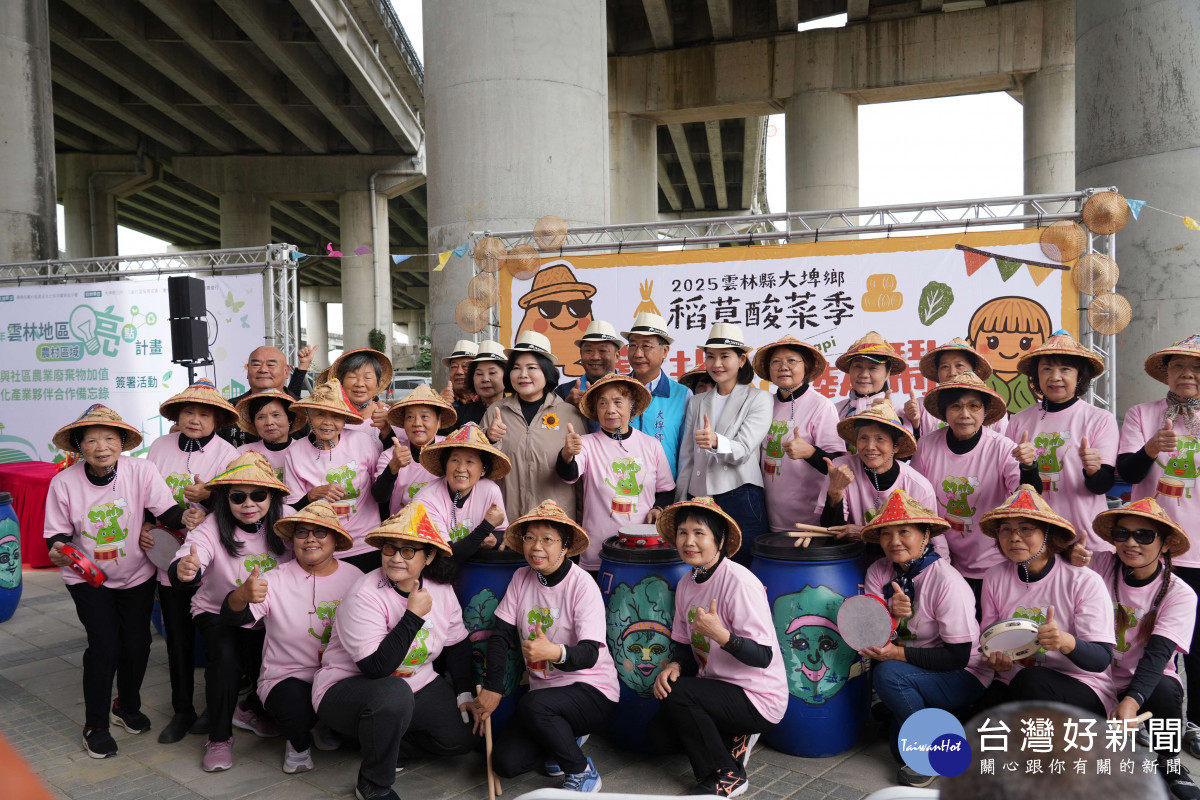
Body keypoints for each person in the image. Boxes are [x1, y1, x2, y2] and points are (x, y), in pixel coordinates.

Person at [44, 405, 201, 759]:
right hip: (88, 577)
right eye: (92, 440)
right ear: (78, 446)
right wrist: (58, 549)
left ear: (122, 443)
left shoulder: (141, 471)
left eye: (110, 438)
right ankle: (94, 726)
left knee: (138, 644)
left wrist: (188, 514)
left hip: (136, 574)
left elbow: (168, 512)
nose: (102, 446)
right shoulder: (63, 482)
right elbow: (56, 535)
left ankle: (126, 706)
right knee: (104, 647)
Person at [313, 502, 477, 800]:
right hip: (349, 690)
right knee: (394, 692)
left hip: (418, 684)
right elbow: (376, 668)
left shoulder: (441, 589)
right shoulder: (364, 595)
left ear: (429, 556)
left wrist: (464, 691)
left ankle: (377, 742)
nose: (396, 558)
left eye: (408, 550)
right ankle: (373, 784)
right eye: (390, 548)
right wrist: (412, 616)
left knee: (459, 741)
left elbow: (456, 643)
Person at [474, 500, 619, 792]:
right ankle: (563, 738)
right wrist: (493, 689)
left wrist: (555, 652)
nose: (536, 546)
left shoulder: (581, 585)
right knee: (506, 763)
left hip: (591, 690)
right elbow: (500, 635)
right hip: (545, 696)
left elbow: (590, 654)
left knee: (534, 705)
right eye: (530, 537)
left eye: (547, 539)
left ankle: (582, 772)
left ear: (565, 546)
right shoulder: (521, 578)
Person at [647, 497, 787, 798]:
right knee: (658, 738)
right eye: (683, 533)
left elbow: (763, 656)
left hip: (757, 696)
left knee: (680, 695)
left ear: (720, 540)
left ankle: (728, 776)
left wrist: (722, 636)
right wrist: (674, 665)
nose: (689, 541)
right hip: (717, 688)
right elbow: (684, 647)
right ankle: (733, 736)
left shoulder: (739, 582)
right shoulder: (687, 583)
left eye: (699, 533)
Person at [858, 490, 991, 788]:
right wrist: (891, 615)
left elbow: (957, 656)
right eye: (886, 533)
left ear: (925, 535)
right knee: (898, 750)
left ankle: (938, 748)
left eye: (904, 532)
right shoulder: (878, 571)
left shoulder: (947, 582)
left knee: (888, 674)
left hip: (962, 673)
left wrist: (894, 654)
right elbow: (869, 634)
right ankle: (944, 720)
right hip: (917, 669)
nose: (894, 541)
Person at [169, 452, 292, 772]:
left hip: (267, 614)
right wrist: (185, 569)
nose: (248, 503)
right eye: (238, 496)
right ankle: (219, 737)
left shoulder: (287, 520)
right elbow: (190, 557)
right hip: (216, 610)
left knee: (277, 663)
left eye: (259, 494)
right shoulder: (210, 527)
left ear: (273, 495)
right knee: (224, 662)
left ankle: (250, 708)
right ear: (225, 498)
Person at [219, 501, 362, 774]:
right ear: (293, 541)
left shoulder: (355, 577)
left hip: (340, 674)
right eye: (301, 533)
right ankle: (298, 744)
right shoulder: (274, 580)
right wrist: (240, 595)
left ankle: (328, 725)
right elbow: (232, 617)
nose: (310, 539)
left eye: (320, 532)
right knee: (295, 711)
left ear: (335, 539)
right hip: (288, 675)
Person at [144, 378, 239, 744]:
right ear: (177, 415)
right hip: (169, 558)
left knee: (218, 643)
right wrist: (144, 527)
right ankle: (182, 709)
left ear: (217, 418)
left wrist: (211, 498)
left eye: (203, 413)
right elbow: (143, 496)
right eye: (188, 412)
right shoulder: (159, 446)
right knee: (178, 640)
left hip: (213, 563)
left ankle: (217, 710)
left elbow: (240, 510)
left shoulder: (229, 455)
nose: (194, 419)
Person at [1119, 334, 1200, 756]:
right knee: (1142, 634)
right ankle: (1140, 711)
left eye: (1197, 368)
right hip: (1150, 546)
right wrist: (1151, 447)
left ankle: (1195, 724)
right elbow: (1126, 469)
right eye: (1179, 366)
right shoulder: (1143, 414)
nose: (1188, 374)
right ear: (1166, 372)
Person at [1090, 498, 1200, 798]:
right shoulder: (1098, 565)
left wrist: (1133, 700)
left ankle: (1170, 762)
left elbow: (1157, 657)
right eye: (1122, 533)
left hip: (1145, 682)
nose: (1130, 543)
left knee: (1167, 690)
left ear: (1165, 544)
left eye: (1144, 535)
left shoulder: (1180, 594)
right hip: (1094, 676)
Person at [977, 485, 1116, 717]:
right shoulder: (994, 576)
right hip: (1016, 679)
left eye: (1025, 529)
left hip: (1081, 685)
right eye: (1006, 530)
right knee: (976, 724)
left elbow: (1100, 659)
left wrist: (1065, 641)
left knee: (1032, 681)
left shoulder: (1084, 581)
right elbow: (990, 638)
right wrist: (996, 659)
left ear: (1048, 535)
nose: (1014, 538)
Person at [910, 371, 1039, 610]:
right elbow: (917, 505)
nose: (965, 414)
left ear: (985, 411)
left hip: (994, 562)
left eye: (974, 406)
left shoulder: (1003, 449)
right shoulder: (926, 447)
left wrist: (1029, 466)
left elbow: (1027, 496)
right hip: (940, 562)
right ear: (944, 411)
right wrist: (940, 559)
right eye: (956, 406)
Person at [1006, 331, 1118, 560]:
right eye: (1046, 368)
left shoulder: (1099, 419)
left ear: (1080, 376)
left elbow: (1101, 486)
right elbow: (1018, 491)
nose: (1055, 377)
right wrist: (1028, 467)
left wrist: (1094, 470)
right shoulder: (1019, 421)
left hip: (1086, 540)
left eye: (1065, 369)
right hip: (1035, 541)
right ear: (1036, 375)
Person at [676, 323, 773, 566]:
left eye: (724, 356)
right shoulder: (697, 401)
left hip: (741, 494)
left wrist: (716, 441)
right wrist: (680, 500)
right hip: (700, 496)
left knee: (744, 566)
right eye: (710, 357)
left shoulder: (759, 398)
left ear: (741, 360)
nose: (716, 364)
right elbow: (687, 456)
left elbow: (743, 450)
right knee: (703, 566)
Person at [557, 373, 675, 572]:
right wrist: (567, 454)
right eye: (602, 403)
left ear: (632, 406)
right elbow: (568, 475)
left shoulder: (651, 445)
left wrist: (659, 509)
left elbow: (665, 490)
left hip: (643, 547)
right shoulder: (586, 444)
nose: (610, 410)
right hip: (598, 550)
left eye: (618, 402)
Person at [481, 331, 587, 519]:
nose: (523, 375)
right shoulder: (496, 412)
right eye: (516, 368)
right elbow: (479, 468)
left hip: (554, 524)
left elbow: (581, 479)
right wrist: (489, 438)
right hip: (506, 521)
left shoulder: (569, 414)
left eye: (532, 367)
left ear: (546, 372)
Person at [815, 404, 944, 558]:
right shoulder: (841, 470)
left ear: (897, 445)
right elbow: (832, 532)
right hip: (851, 559)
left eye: (880, 439)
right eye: (863, 438)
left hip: (897, 565)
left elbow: (922, 542)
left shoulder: (918, 487)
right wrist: (835, 492)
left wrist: (865, 533)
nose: (870, 447)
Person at [284, 379, 384, 573]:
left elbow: (380, 490)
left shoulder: (362, 442)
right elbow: (293, 507)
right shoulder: (295, 452)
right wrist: (312, 495)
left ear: (345, 419)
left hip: (366, 544)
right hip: (323, 549)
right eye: (320, 414)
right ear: (309, 416)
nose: (328, 422)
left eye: (336, 416)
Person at [754, 334, 843, 532]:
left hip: (810, 523)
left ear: (807, 367)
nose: (783, 366)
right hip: (768, 517)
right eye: (775, 362)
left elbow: (838, 465)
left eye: (791, 361)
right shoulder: (764, 404)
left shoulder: (821, 406)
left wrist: (811, 452)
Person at [413, 423, 510, 562]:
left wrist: (494, 541)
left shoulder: (490, 490)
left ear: (483, 469)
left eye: (470, 461)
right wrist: (485, 528)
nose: (461, 468)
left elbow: (501, 532)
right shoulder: (426, 499)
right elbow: (448, 556)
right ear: (445, 464)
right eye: (455, 460)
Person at [623, 311, 692, 480]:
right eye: (632, 345)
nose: (638, 353)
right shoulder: (617, 389)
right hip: (622, 487)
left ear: (665, 351)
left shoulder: (682, 395)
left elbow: (687, 454)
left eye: (646, 346)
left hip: (664, 491)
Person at [372, 385, 456, 516]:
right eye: (410, 417)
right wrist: (393, 467)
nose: (417, 423)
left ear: (438, 422)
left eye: (425, 417)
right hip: (403, 530)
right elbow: (380, 497)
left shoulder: (451, 449)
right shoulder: (390, 455)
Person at [904, 337, 1005, 437]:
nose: (952, 373)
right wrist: (915, 423)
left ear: (973, 370)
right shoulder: (921, 406)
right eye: (945, 367)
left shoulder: (991, 404)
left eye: (959, 365)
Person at [219, 344, 316, 447]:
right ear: (247, 372)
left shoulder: (304, 410)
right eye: (256, 364)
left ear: (286, 371)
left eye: (271, 365)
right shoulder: (229, 409)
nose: (263, 370)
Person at [832, 332, 914, 434]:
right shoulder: (834, 411)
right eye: (858, 366)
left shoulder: (898, 413)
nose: (864, 374)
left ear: (887, 373)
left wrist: (890, 418)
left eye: (873, 368)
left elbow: (906, 446)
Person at [318, 348, 395, 451]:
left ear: (378, 384)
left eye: (367, 378)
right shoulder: (328, 421)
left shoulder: (391, 418)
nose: (359, 384)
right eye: (352, 377)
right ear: (341, 383)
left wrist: (386, 429)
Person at [555, 320, 624, 424]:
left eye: (602, 351)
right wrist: (567, 408)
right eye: (588, 351)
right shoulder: (564, 392)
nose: (595, 357)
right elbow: (549, 431)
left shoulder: (633, 389)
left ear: (617, 356)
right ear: (581, 354)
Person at [235, 387, 307, 486]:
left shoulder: (305, 451)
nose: (269, 422)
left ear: (289, 419)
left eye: (276, 415)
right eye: (261, 417)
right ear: (254, 423)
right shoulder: (242, 453)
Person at [456, 340, 508, 428]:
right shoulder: (461, 414)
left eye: (492, 373)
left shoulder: (518, 411)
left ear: (507, 375)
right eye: (479, 374)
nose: (485, 379)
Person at [440, 339, 480, 425]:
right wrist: (439, 406)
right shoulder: (441, 400)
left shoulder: (486, 401)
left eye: (465, 366)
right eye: (454, 366)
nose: (459, 372)